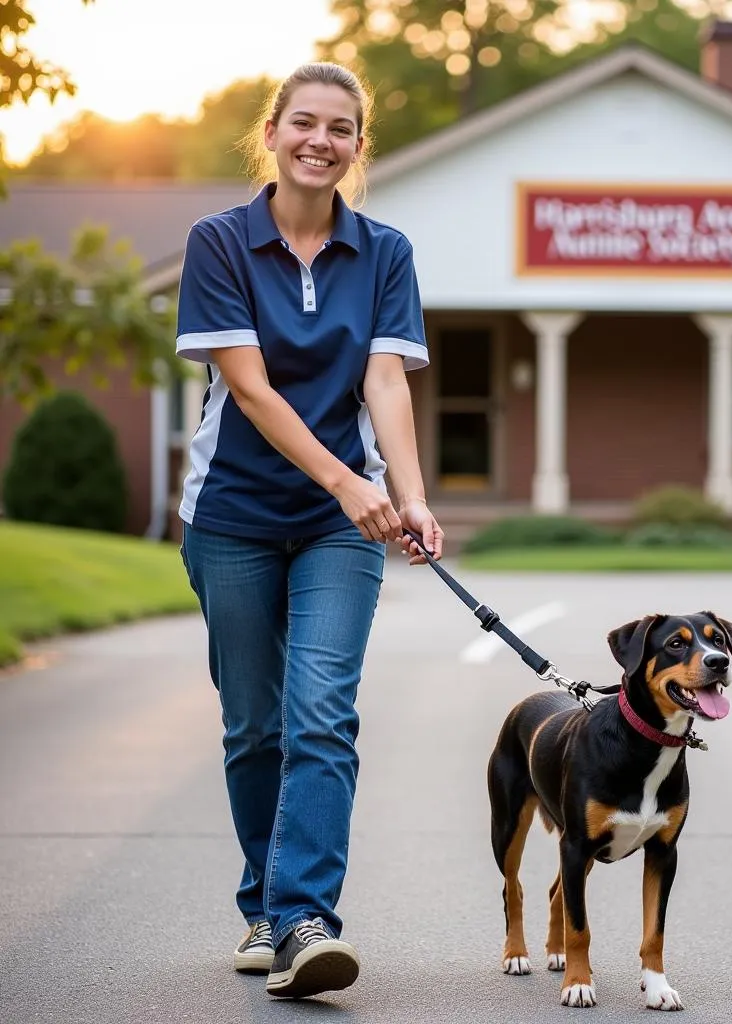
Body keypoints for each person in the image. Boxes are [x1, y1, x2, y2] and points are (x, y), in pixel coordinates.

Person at [176, 61, 443, 1000]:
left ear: (357, 146)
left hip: (342, 531)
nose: (320, 141)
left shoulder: (385, 252)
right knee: (255, 726)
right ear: (274, 132)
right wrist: (344, 480)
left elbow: (386, 384)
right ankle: (263, 904)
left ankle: (303, 919)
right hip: (235, 519)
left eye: (340, 128)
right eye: (304, 123)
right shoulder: (218, 243)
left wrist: (406, 496)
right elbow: (248, 387)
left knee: (321, 713)